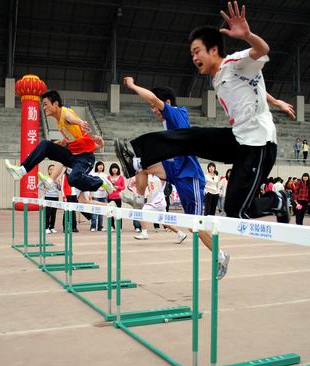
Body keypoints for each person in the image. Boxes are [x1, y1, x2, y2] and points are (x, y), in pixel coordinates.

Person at [114, 3, 294, 226]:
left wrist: (247, 36)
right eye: (192, 53)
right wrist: (275, 101)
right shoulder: (218, 78)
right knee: (190, 137)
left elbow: (263, 50)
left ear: (213, 50)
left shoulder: (235, 63)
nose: (194, 57)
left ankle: (277, 201)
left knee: (235, 212)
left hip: (259, 143)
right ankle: (137, 157)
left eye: (197, 51)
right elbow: (255, 86)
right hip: (239, 138)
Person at [121, 77, 232, 276]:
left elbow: (153, 99)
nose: (153, 110)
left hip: (190, 176)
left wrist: (132, 85)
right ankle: (138, 200)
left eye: (154, 107)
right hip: (176, 169)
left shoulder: (175, 113)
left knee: (195, 227)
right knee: (143, 166)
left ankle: (221, 256)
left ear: (166, 102)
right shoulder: (170, 121)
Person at [4, 90, 113, 194]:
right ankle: (22, 171)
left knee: (73, 179)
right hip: (71, 156)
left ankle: (101, 182)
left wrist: (80, 122)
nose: (44, 108)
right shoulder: (59, 122)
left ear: (55, 104)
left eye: (46, 104)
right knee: (45, 145)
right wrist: (46, 147)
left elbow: (70, 118)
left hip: (84, 159)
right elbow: (66, 140)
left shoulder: (65, 113)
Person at [133, 175, 187, 243]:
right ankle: (180, 234)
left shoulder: (160, 175)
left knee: (142, 212)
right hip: (157, 202)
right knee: (164, 222)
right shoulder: (149, 176)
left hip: (158, 201)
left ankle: (144, 233)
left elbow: (165, 177)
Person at [39, 164, 60, 234]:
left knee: (53, 213)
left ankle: (52, 227)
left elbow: (60, 189)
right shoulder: (46, 178)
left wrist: (58, 184)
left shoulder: (57, 178)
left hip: (55, 197)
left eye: (53, 169)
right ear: (48, 171)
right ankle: (46, 227)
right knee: (47, 213)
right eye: (50, 169)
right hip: (48, 197)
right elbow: (38, 186)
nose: (52, 170)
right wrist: (45, 190)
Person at [89, 161, 108, 232]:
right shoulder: (94, 174)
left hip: (103, 195)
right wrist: (90, 193)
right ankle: (93, 226)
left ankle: (100, 227)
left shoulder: (105, 175)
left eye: (102, 165)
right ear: (96, 166)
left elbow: (107, 184)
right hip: (96, 194)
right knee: (94, 211)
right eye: (99, 165)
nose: (100, 166)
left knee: (101, 212)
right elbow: (91, 184)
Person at [107, 163, 125, 230]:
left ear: (118, 169)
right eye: (113, 168)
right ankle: (112, 226)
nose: (114, 169)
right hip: (110, 197)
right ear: (111, 169)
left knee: (118, 212)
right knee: (111, 212)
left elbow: (123, 187)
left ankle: (119, 226)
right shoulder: (108, 177)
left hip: (118, 197)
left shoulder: (121, 177)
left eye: (116, 168)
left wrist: (118, 187)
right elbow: (106, 186)